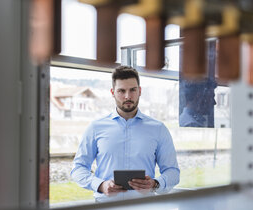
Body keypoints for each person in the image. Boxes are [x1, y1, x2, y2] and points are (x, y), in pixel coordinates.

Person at [71, 66, 180, 202]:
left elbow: (173, 172)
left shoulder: (158, 129)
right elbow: (78, 168)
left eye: (132, 90)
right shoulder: (95, 128)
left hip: (145, 208)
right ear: (113, 92)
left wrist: (155, 184)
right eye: (121, 91)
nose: (127, 96)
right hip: (105, 208)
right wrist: (100, 185)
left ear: (139, 91)